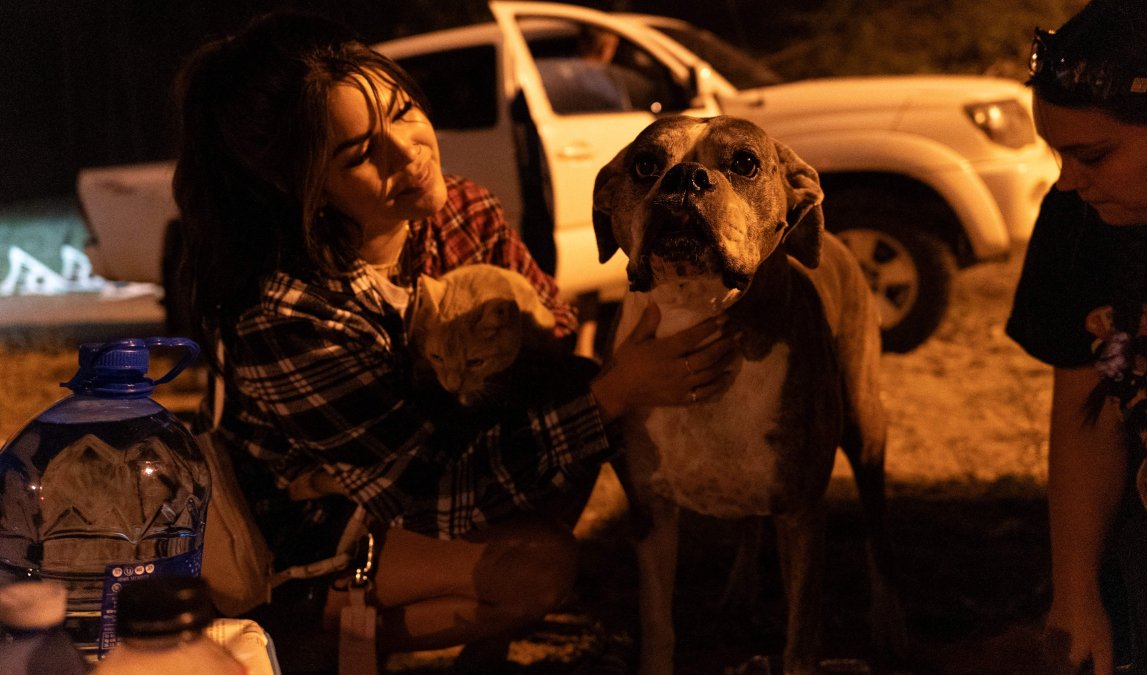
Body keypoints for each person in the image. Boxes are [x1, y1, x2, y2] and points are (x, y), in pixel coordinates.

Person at [170, 10, 736, 670]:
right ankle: (304, 634)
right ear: (299, 186)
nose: (407, 150)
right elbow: (426, 492)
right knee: (539, 559)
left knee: (571, 401)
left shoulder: (459, 210)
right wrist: (615, 389)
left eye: (404, 111)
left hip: (447, 457)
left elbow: (550, 327)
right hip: (317, 520)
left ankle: (482, 646)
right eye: (358, 153)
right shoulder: (290, 314)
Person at [1006, 0, 1147, 672]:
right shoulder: (1077, 223)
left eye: (1093, 153)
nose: (1066, 179)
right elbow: (1086, 408)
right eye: (1058, 152)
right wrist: (1076, 590)